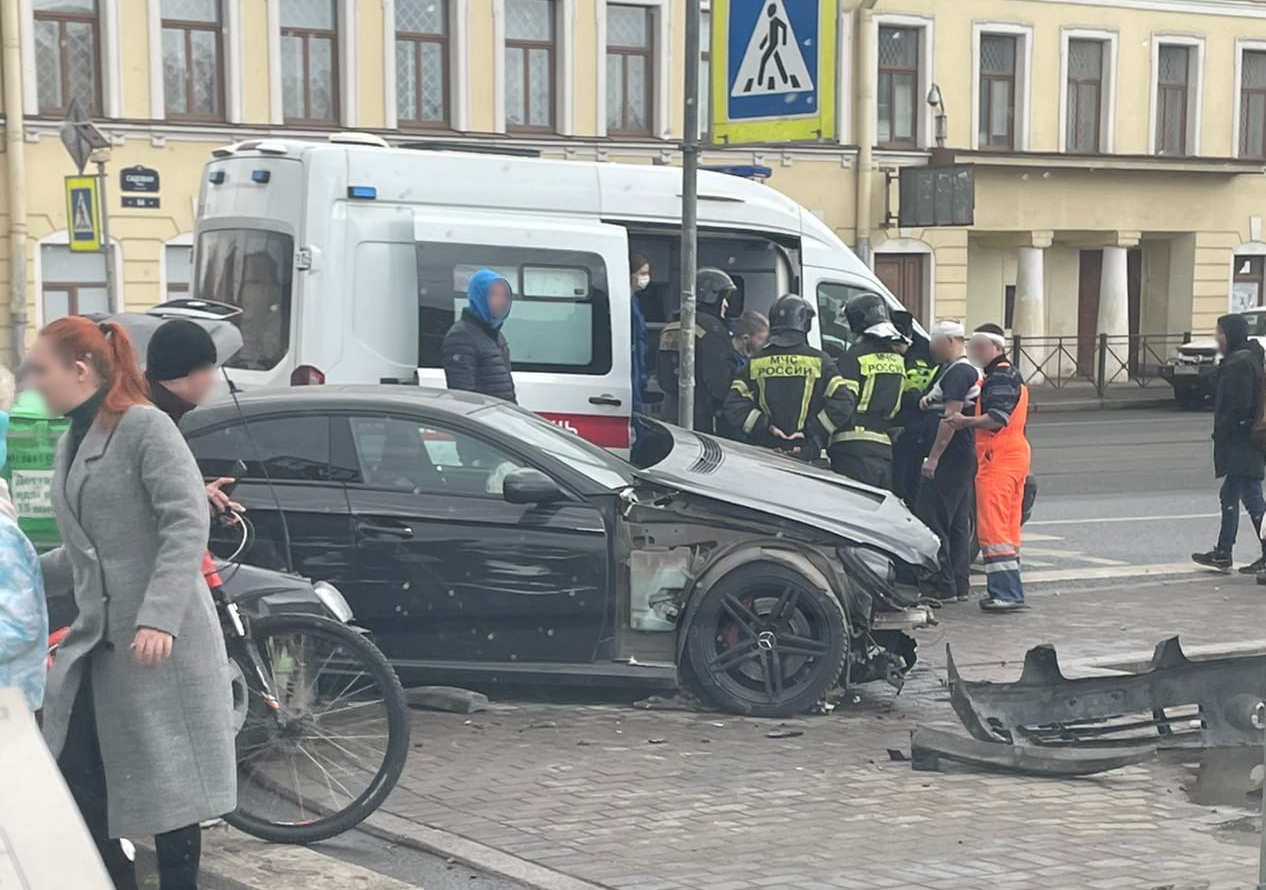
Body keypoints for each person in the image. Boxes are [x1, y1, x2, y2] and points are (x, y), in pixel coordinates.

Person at [28, 316, 235, 890]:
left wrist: (159, 616)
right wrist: (16, 569)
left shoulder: (145, 427)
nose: (32, 381)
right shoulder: (75, 440)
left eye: (40, 369)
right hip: (101, 644)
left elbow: (185, 521)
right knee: (79, 777)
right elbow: (84, 552)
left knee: (174, 789)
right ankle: (118, 879)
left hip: (158, 646)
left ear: (78, 371)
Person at [945, 324, 1031, 612]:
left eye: (979, 348)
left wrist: (963, 421)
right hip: (1011, 455)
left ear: (995, 348)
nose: (975, 354)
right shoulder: (1001, 375)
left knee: (993, 529)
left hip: (998, 457)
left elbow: (996, 418)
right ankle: (1009, 590)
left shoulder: (1000, 377)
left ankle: (1006, 594)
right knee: (1006, 529)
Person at [722, 294, 854, 459]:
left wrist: (766, 426)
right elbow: (844, 402)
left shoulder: (756, 361)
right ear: (805, 324)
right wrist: (810, 429)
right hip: (805, 452)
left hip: (762, 452)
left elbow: (734, 405)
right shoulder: (821, 361)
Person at [1192, 313, 1266, 573]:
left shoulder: (1238, 364)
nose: (1216, 337)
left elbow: (1238, 406)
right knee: (1231, 495)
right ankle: (1223, 552)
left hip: (1241, 442)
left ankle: (1234, 552)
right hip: (1245, 441)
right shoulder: (1248, 357)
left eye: (1219, 332)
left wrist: (1227, 432)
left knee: (1253, 498)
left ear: (1230, 335)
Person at [915, 320, 981, 603]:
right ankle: (959, 584)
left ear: (950, 342)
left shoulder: (959, 372)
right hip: (962, 454)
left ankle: (943, 584)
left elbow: (951, 420)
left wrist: (933, 458)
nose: (931, 348)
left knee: (934, 517)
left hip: (951, 455)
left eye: (934, 342)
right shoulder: (959, 370)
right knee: (957, 522)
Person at [145, 318, 241, 512]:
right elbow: (144, 494)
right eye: (208, 369)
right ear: (188, 371)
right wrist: (196, 497)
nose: (212, 380)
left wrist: (202, 497)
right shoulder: (150, 421)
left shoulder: (160, 411)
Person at [830, 293, 907, 488]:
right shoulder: (897, 359)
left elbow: (844, 403)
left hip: (852, 447)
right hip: (884, 446)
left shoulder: (853, 357)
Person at [657, 267, 736, 432]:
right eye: (724, 298)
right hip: (705, 418)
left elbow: (663, 376)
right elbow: (719, 381)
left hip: (672, 411)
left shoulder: (671, 325)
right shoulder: (711, 328)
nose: (726, 304)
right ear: (712, 296)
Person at [443, 268, 516, 403]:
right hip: (483, 420)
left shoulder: (495, 334)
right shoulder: (461, 336)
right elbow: (464, 396)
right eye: (495, 294)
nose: (502, 300)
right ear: (479, 296)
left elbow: (506, 391)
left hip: (502, 418)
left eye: (506, 295)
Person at [890, 309, 935, 503]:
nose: (897, 347)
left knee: (912, 483)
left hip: (917, 427)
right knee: (896, 481)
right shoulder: (885, 348)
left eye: (901, 342)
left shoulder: (927, 351)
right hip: (894, 425)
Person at [715, 311, 770, 441]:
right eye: (761, 339)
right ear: (746, 338)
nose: (764, 344)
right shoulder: (726, 363)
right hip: (732, 432)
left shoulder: (748, 359)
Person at [630, 252, 653, 417]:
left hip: (637, 365)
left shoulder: (634, 300)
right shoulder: (625, 301)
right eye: (642, 274)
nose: (646, 278)